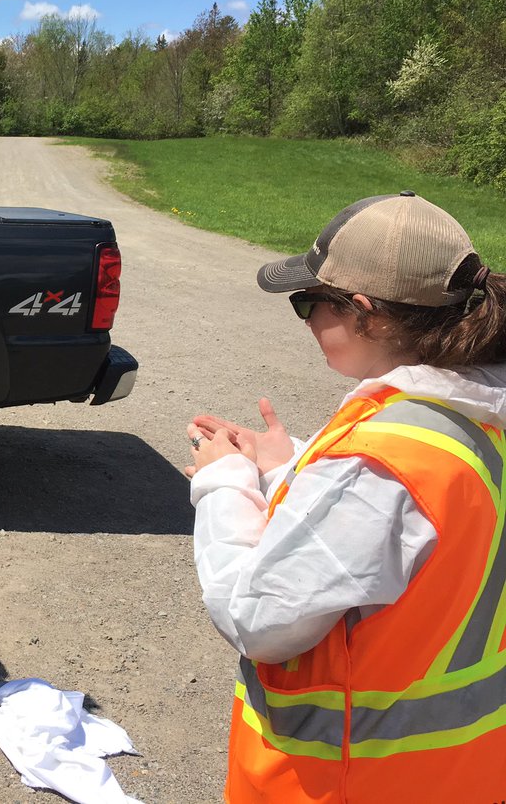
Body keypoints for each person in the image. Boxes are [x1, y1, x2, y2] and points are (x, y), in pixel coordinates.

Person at [185, 191, 506, 802]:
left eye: (309, 303)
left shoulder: (379, 464)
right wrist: (292, 470)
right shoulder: (473, 413)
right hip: (458, 774)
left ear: (368, 314)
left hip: (350, 779)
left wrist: (223, 482)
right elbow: (415, 544)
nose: (305, 320)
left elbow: (259, 621)